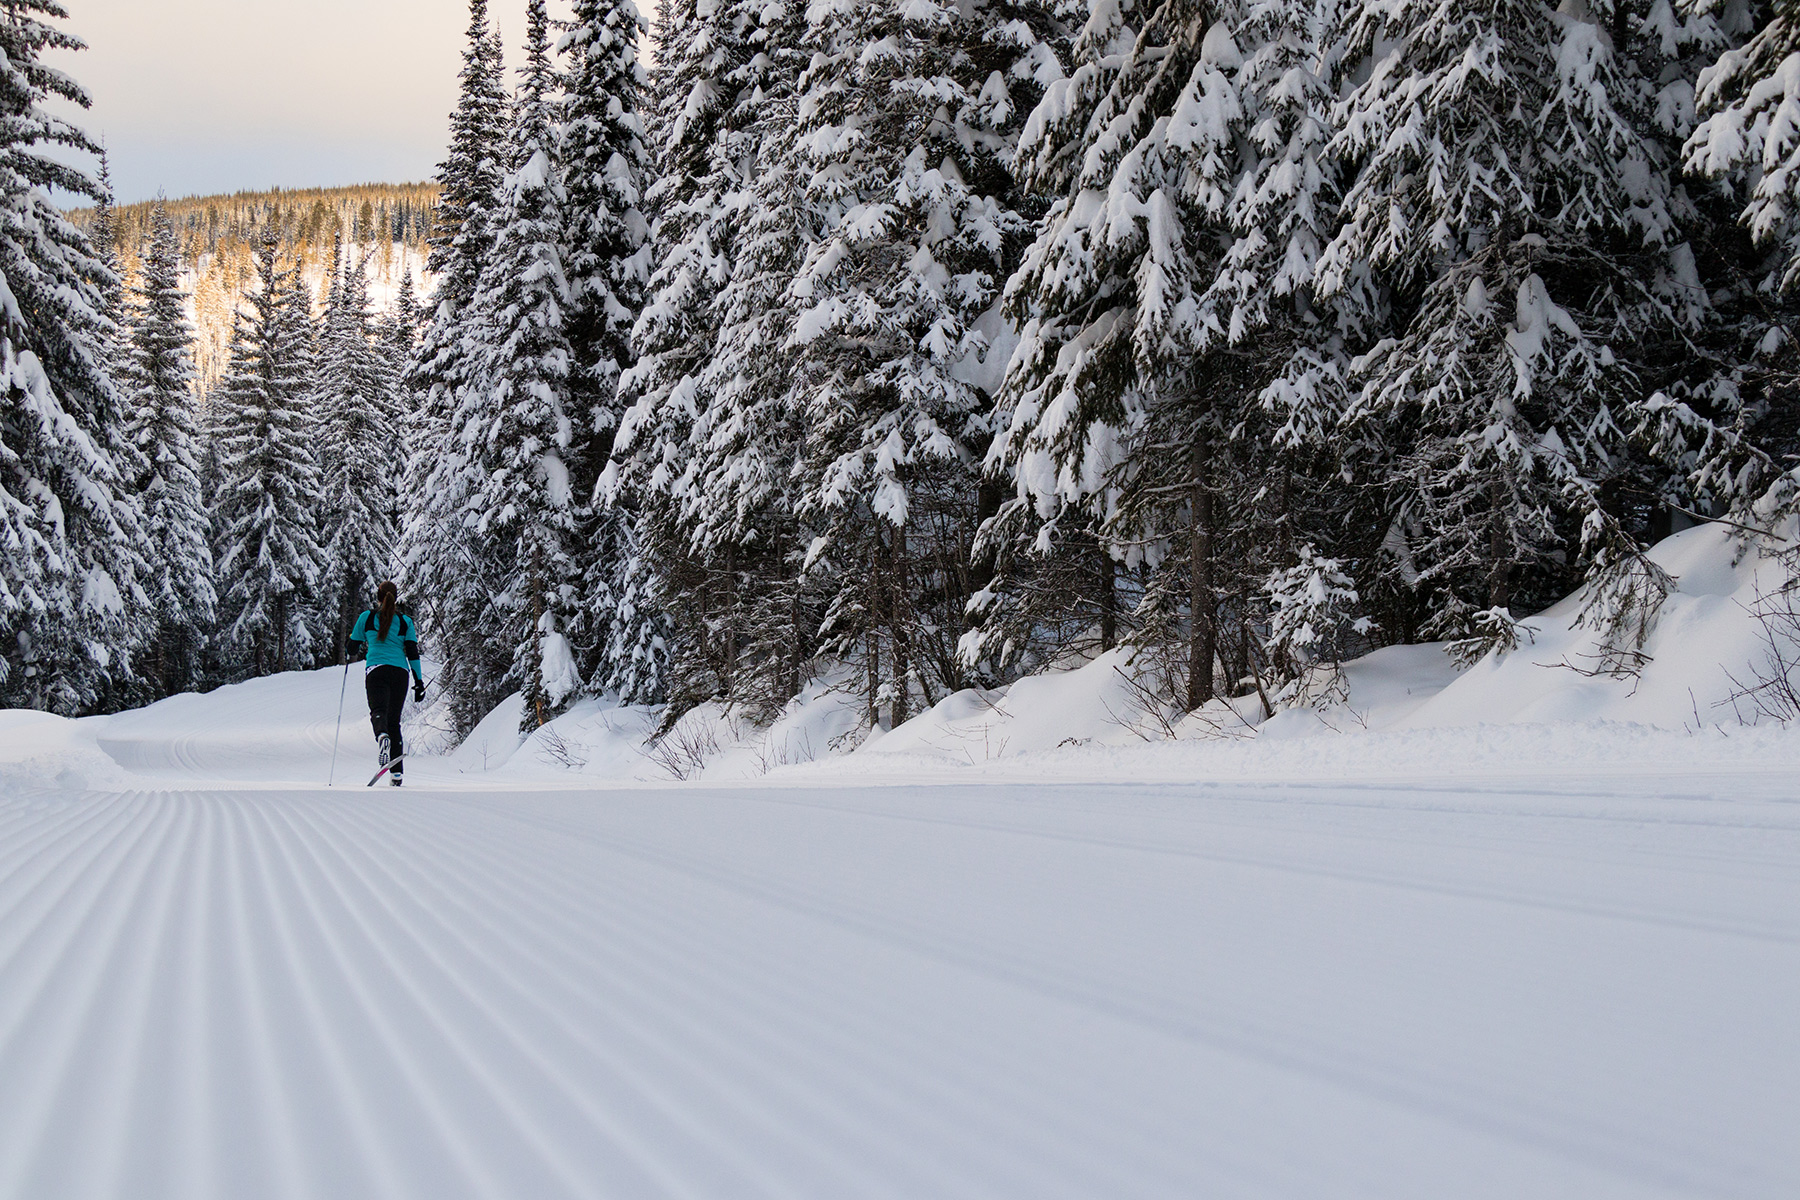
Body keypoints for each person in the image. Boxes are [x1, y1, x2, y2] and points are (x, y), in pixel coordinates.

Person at [348, 581, 425, 785]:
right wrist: (419, 682)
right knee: (395, 722)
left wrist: (351, 644)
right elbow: (412, 652)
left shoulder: (367, 617)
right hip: (400, 673)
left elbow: (353, 647)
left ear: (378, 596)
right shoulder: (406, 622)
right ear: (396, 597)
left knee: (378, 711)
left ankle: (381, 736)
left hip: (376, 670)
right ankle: (396, 774)